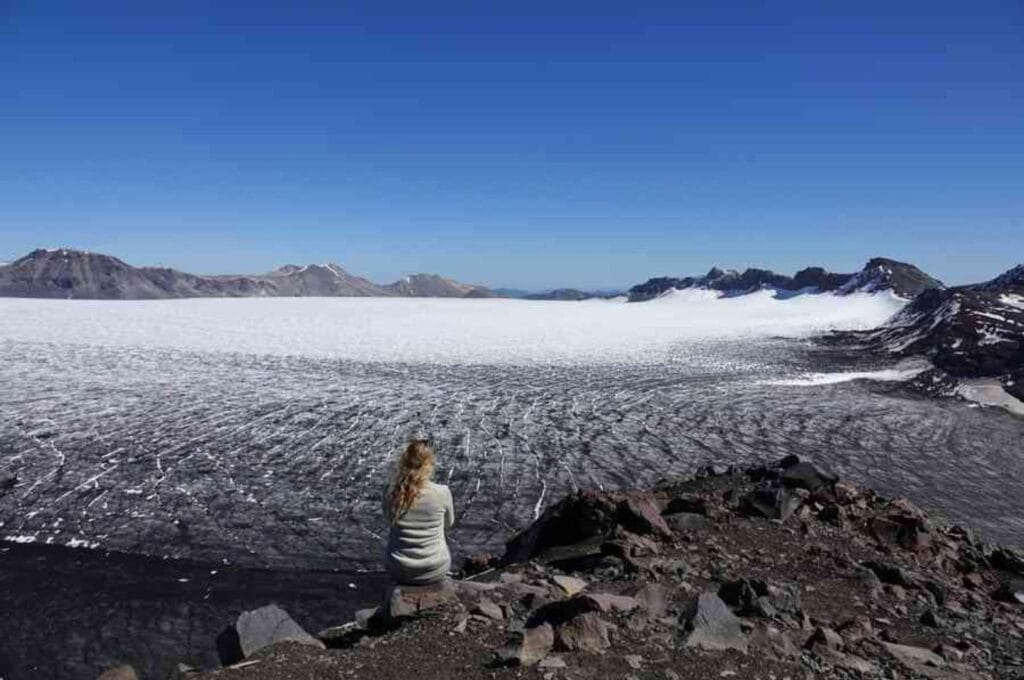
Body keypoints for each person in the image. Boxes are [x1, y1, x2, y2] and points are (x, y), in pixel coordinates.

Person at [383, 438, 455, 585]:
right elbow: (448, 523)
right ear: (428, 464)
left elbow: (389, 519)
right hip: (434, 568)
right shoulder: (442, 492)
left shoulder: (391, 492)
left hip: (398, 567)